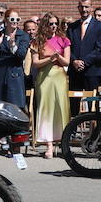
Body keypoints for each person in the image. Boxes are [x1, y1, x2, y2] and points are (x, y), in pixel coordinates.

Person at [0, 9, 31, 156]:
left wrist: (12, 45)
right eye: (12, 20)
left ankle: (15, 145)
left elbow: (21, 55)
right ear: (6, 20)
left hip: (14, 77)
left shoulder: (22, 35)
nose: (15, 23)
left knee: (14, 111)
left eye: (17, 20)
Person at [32, 13, 71, 157]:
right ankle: (49, 145)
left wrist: (58, 57)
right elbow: (35, 63)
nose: (54, 26)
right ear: (44, 25)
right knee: (46, 109)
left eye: (56, 23)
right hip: (44, 78)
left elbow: (67, 62)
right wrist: (50, 59)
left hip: (59, 77)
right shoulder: (37, 41)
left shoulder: (64, 40)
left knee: (61, 108)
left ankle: (62, 142)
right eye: (50, 24)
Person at [67, 0, 101, 114]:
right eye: (81, 7)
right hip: (75, 71)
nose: (84, 9)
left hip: (92, 70)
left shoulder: (100, 26)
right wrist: (74, 61)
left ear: (91, 8)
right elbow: (67, 47)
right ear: (78, 8)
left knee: (93, 104)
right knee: (74, 104)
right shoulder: (72, 27)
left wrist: (84, 62)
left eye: (86, 7)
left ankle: (95, 130)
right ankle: (73, 130)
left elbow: (100, 48)